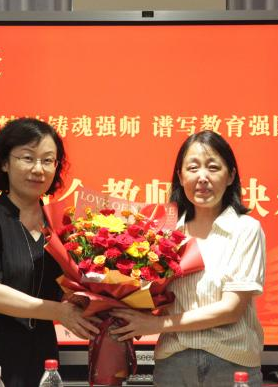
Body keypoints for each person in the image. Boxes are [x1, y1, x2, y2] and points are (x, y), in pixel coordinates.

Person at [0, 118, 99, 387]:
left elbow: (67, 288)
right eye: (27, 158)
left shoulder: (62, 226)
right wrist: (60, 312)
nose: (38, 169)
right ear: (4, 163)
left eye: (48, 160)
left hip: (41, 356)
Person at [111, 130, 266, 387]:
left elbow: (232, 309)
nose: (202, 177)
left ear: (230, 176)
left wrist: (157, 324)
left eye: (213, 167)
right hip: (174, 364)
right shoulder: (164, 232)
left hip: (231, 364)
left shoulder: (245, 229)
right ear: (181, 177)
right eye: (193, 168)